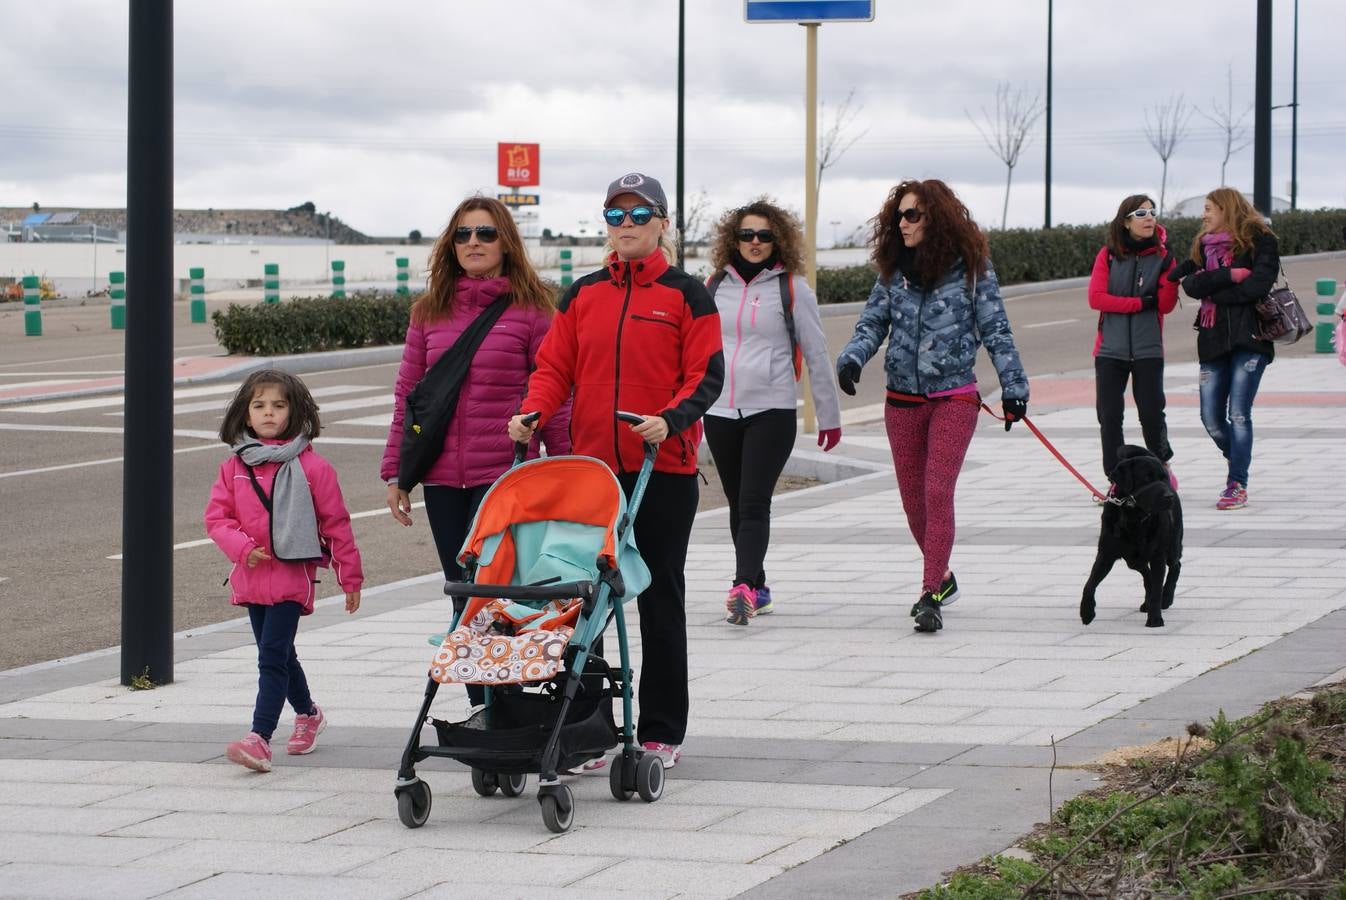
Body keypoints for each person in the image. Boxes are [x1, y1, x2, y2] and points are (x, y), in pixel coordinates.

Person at [508, 172, 723, 770]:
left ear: (661, 223)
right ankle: (591, 727)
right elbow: (554, 367)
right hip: (593, 475)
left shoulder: (687, 295)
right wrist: (533, 411)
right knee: (588, 604)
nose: (625, 225)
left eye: (638, 214)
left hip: (665, 471)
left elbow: (706, 375)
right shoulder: (582, 294)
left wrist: (671, 420)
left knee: (659, 602)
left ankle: (659, 732)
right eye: (615, 214)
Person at [380, 196, 570, 709]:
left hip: (504, 477)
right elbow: (408, 395)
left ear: (506, 242)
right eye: (463, 235)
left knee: (500, 595)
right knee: (464, 595)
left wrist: (566, 469)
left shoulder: (533, 312)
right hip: (442, 478)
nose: (473, 243)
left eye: (485, 233)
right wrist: (398, 473)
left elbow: (556, 394)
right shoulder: (428, 312)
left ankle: (508, 706)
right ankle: (483, 709)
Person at [835, 179, 1028, 635]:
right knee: (913, 504)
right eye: (898, 215)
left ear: (936, 218)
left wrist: (1014, 386)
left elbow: (997, 329)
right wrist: (852, 358)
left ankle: (928, 595)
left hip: (954, 398)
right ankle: (942, 575)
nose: (902, 223)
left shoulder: (973, 270)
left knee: (938, 490)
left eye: (913, 215)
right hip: (900, 402)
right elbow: (871, 323)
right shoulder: (892, 271)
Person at [205, 369, 364, 772]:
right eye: (259, 406)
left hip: (293, 576)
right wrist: (242, 548)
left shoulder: (314, 468)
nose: (269, 413)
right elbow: (217, 518)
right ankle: (309, 714)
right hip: (251, 576)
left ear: (295, 412)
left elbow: (336, 524)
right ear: (245, 414)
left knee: (271, 657)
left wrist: (351, 579)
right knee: (277, 652)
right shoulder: (234, 467)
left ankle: (259, 738)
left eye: (278, 405)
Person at [702, 198, 842, 626]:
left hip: (772, 408)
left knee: (753, 501)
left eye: (764, 234)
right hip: (721, 408)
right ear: (734, 239)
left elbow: (816, 352)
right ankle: (757, 587)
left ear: (776, 238)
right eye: (747, 234)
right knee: (734, 502)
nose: (755, 241)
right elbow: (696, 352)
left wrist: (829, 415)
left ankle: (741, 585)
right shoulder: (713, 286)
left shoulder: (792, 288)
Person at [1169, 187, 1279, 510]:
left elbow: (1257, 286)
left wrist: (1214, 290)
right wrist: (1229, 275)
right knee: (1211, 418)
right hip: (1212, 339)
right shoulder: (1202, 246)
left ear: (1227, 209)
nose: (1203, 215)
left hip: (1251, 340)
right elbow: (1190, 284)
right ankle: (1239, 460)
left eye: (1208, 208)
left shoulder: (1262, 241)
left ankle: (1237, 484)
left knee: (1239, 413)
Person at [1087, 195, 1179, 492]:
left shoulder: (1164, 257)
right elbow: (1096, 298)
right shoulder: (1108, 255)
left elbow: (1163, 306)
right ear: (1126, 221)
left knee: (1152, 413)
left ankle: (1162, 464)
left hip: (1148, 349)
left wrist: (1173, 279)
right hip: (1109, 351)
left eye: (1152, 212)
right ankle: (1117, 479)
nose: (1149, 218)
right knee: (1110, 416)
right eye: (1141, 213)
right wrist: (1140, 303)